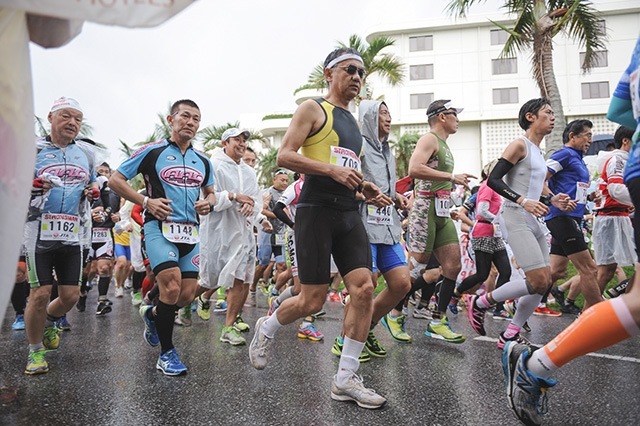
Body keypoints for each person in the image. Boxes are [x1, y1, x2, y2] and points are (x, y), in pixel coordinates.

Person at [502, 37, 640, 426]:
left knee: (554, 275)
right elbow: (515, 178)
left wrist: (559, 199)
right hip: (539, 216)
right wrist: (543, 199)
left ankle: (535, 338)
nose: (584, 138)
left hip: (559, 214)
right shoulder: (557, 153)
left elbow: (621, 109)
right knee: (590, 269)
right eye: (582, 134)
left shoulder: (568, 157)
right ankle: (497, 311)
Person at [249, 47, 392, 409]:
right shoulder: (314, 108)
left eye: (361, 72)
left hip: (348, 212)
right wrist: (332, 171)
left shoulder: (356, 123)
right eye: (350, 70)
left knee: (363, 289)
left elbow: (346, 168)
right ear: (329, 74)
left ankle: (345, 378)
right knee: (311, 299)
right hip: (314, 210)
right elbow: (285, 155)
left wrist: (364, 187)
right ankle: (267, 328)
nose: (357, 78)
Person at [108, 99, 215, 376]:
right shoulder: (152, 152)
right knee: (170, 288)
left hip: (191, 232)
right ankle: (167, 354)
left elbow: (210, 193)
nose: (191, 122)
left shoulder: (203, 160)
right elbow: (115, 180)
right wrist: (146, 202)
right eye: (186, 116)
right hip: (159, 228)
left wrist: (208, 203)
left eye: (196, 119)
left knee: (186, 294)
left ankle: (152, 314)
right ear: (171, 119)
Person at [466, 98, 572, 349]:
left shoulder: (538, 151)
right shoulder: (519, 145)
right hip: (514, 214)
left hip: (531, 217)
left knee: (544, 281)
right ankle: (480, 302)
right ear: (530, 117)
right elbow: (493, 180)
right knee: (536, 281)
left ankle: (510, 333)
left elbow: (535, 189)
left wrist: (552, 199)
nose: (553, 117)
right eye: (547, 112)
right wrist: (524, 200)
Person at [23, 97, 99, 374]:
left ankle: (52, 320)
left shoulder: (87, 154)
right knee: (40, 293)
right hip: (38, 231)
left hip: (72, 233)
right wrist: (32, 185)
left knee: (71, 296)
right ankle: (34, 352)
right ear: (51, 118)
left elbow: (91, 182)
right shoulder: (32, 150)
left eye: (78, 119)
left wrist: (92, 192)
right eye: (66, 116)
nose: (72, 123)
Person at [406, 99, 475, 343]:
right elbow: (414, 168)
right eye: (455, 114)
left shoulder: (444, 144)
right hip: (426, 208)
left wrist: (451, 181)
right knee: (417, 269)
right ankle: (392, 312)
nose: (458, 119)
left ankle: (437, 320)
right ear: (442, 116)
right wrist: (451, 176)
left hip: (442, 211)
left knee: (453, 267)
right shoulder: (429, 139)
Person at [198, 128, 266, 345]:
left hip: (244, 231)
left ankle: (228, 327)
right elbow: (208, 199)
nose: (242, 143)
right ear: (224, 143)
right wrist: (234, 197)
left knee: (242, 278)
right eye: (237, 139)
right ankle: (190, 301)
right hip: (220, 229)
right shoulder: (213, 165)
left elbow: (256, 199)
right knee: (212, 277)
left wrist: (252, 208)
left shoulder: (248, 171)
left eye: (244, 140)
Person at [354, 99, 411, 356]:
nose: (388, 118)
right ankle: (347, 339)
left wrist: (395, 195)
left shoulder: (387, 149)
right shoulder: (359, 146)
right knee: (365, 286)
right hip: (364, 226)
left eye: (389, 112)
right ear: (368, 117)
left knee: (402, 283)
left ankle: (366, 330)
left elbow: (385, 184)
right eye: (382, 113)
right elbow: (346, 183)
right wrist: (365, 196)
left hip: (388, 226)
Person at [546, 119, 601, 312]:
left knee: (557, 271)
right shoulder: (564, 154)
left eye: (591, 136)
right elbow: (540, 177)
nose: (590, 140)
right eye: (587, 135)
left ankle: (519, 300)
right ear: (572, 136)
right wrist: (553, 199)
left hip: (572, 217)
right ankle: (595, 317)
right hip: (562, 217)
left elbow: (574, 188)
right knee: (590, 269)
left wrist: (589, 196)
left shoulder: (578, 159)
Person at [591, 126, 635, 296]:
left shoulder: (628, 161)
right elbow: (616, 189)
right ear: (626, 141)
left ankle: (622, 303)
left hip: (621, 217)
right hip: (609, 218)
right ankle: (588, 313)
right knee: (606, 271)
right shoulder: (617, 159)